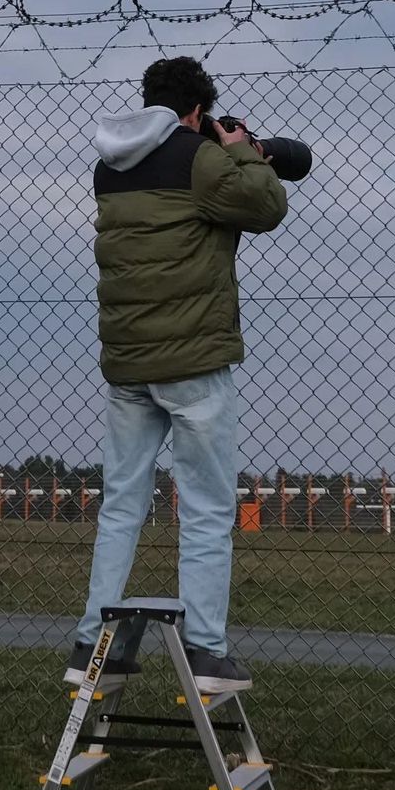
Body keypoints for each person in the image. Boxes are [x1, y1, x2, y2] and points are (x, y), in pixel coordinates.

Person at [65, 55, 288, 695]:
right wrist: (243, 149)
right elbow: (267, 204)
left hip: (129, 363)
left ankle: (90, 646)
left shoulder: (113, 165)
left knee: (122, 504)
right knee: (209, 508)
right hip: (193, 363)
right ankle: (205, 653)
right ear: (194, 111)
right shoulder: (200, 156)